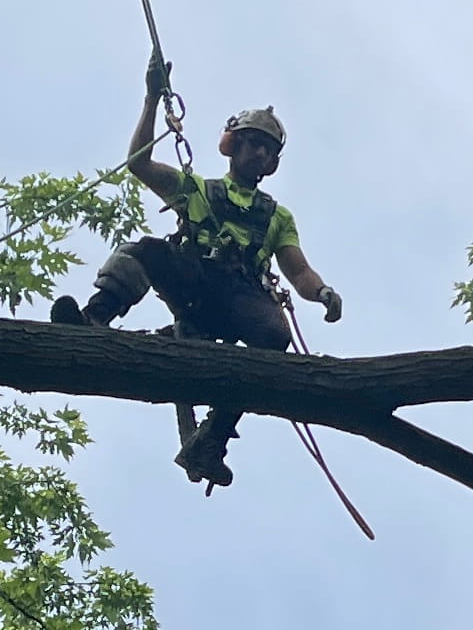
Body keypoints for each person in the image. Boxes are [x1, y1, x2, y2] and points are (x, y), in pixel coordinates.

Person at [50, 57, 343, 489]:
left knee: (274, 335)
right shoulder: (199, 190)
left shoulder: (277, 217)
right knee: (144, 249)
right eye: (252, 142)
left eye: (267, 147)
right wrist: (152, 99)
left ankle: (213, 438)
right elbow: (139, 163)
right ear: (232, 144)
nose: (259, 152)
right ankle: (93, 322)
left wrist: (321, 293)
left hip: (241, 297)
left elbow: (297, 269)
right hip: (197, 283)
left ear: (273, 161)